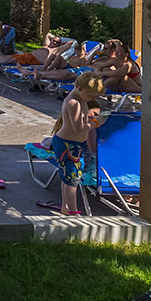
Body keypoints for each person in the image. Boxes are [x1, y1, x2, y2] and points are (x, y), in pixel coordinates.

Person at [48, 73, 105, 215]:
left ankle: (65, 208)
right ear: (79, 88)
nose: (93, 99)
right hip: (67, 145)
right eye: (91, 95)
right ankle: (73, 211)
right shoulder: (74, 103)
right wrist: (96, 123)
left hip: (73, 145)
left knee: (68, 178)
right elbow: (78, 128)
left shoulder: (81, 100)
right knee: (72, 180)